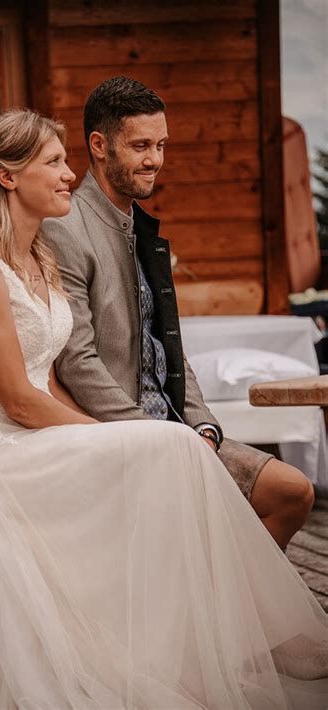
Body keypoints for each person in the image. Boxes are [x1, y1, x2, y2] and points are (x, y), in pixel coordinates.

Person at [0, 108, 327, 709]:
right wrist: (107, 438)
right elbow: (17, 400)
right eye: (54, 163)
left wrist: (107, 440)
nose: (67, 175)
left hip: (35, 435)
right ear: (7, 177)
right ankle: (228, 638)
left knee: (174, 449)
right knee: (165, 447)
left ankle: (189, 645)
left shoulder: (37, 261)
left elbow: (47, 382)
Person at [42, 76, 314, 551]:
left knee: (292, 492)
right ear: (99, 145)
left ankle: (220, 610)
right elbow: (76, 360)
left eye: (161, 145)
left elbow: (167, 347)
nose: (155, 160)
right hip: (117, 436)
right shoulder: (66, 226)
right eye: (141, 145)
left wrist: (203, 427)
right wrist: (155, 438)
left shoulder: (139, 225)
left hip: (177, 429)